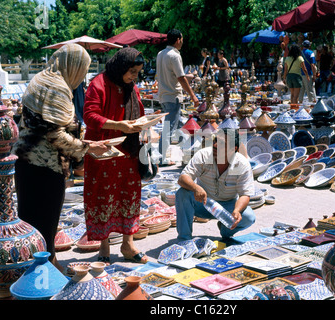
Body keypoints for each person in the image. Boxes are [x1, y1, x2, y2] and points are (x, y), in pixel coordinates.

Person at [13, 44, 109, 272]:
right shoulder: (56, 88)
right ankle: (43, 279)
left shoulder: (42, 79)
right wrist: (87, 148)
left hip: (26, 163)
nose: (83, 75)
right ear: (73, 65)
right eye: (83, 69)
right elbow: (55, 134)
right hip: (45, 167)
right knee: (45, 227)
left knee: (30, 224)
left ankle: (37, 273)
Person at [83, 47, 150, 264]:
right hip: (103, 150)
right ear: (121, 67)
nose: (134, 76)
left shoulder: (132, 87)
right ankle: (104, 246)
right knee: (102, 194)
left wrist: (145, 126)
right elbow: (90, 116)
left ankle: (127, 244)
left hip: (128, 151)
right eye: (131, 71)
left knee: (128, 194)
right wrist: (118, 125)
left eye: (137, 72)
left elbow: (139, 112)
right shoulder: (98, 84)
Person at [175, 129, 256, 242]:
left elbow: (245, 194)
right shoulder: (203, 155)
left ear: (234, 149)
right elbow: (183, 178)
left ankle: (225, 230)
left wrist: (237, 210)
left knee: (249, 217)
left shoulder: (242, 164)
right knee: (182, 193)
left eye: (222, 143)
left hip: (227, 208)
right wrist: (196, 187)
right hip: (203, 203)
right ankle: (184, 239)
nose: (215, 145)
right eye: (215, 140)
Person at [156, 29, 199, 165]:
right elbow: (180, 77)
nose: (182, 42)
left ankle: (188, 150)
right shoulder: (174, 55)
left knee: (180, 124)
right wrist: (193, 95)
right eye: (182, 39)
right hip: (172, 95)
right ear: (178, 40)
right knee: (169, 128)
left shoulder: (160, 54)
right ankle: (162, 158)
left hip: (163, 95)